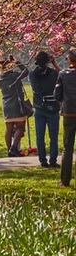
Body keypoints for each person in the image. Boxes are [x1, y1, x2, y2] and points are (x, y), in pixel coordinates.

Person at [31, 51, 61, 168]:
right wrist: (54, 63)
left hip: (39, 107)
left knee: (40, 135)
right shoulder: (53, 74)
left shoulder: (32, 74)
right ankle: (53, 160)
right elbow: (62, 74)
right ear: (48, 61)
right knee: (53, 136)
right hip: (52, 107)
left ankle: (42, 160)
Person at [0, 57, 29, 158]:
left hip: (6, 105)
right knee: (20, 127)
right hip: (16, 104)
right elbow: (25, 71)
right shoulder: (14, 75)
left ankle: (9, 150)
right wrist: (17, 62)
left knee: (8, 129)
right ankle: (14, 147)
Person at [56, 50, 76, 186]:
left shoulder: (62, 74)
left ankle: (65, 180)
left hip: (69, 113)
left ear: (69, 59)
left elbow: (57, 94)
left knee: (67, 147)